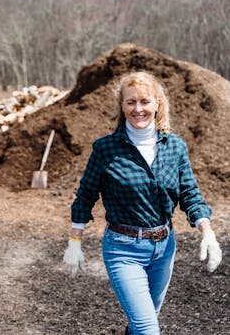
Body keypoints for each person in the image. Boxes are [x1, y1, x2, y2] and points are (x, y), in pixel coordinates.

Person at [62, 71, 222, 334]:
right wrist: (74, 242)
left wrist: (208, 233)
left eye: (145, 101)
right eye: (131, 102)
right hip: (123, 249)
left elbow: (190, 193)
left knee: (143, 324)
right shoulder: (106, 149)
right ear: (122, 106)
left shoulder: (175, 147)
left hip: (164, 249)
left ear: (157, 104)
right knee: (148, 328)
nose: (138, 109)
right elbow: (85, 196)